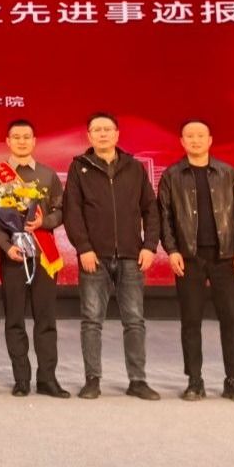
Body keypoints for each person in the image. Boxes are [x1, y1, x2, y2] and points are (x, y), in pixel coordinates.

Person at [63, 112, 162, 401]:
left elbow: (150, 209)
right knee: (91, 320)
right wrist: (83, 247)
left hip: (132, 255)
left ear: (117, 134)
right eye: (97, 130)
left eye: (108, 129)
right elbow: (72, 211)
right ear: (89, 136)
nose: (103, 134)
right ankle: (92, 379)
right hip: (94, 257)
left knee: (134, 320)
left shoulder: (134, 167)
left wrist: (149, 246)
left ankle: (138, 380)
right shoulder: (79, 167)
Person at [157, 119, 234, 403]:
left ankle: (233, 381)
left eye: (201, 135)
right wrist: (172, 250)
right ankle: (195, 381)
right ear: (182, 141)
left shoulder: (228, 173)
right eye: (190, 136)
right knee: (191, 321)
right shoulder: (172, 175)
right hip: (189, 258)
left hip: (226, 257)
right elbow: (164, 217)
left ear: (210, 140)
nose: (196, 140)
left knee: (231, 320)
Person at [0, 119, 69, 398]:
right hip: (14, 256)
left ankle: (48, 379)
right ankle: (21, 379)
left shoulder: (47, 174)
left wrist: (45, 222)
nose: (21, 141)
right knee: (14, 318)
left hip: (44, 256)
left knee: (46, 319)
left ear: (34, 141)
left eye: (26, 137)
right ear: (8, 141)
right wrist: (6, 246)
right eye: (16, 137)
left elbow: (61, 210)